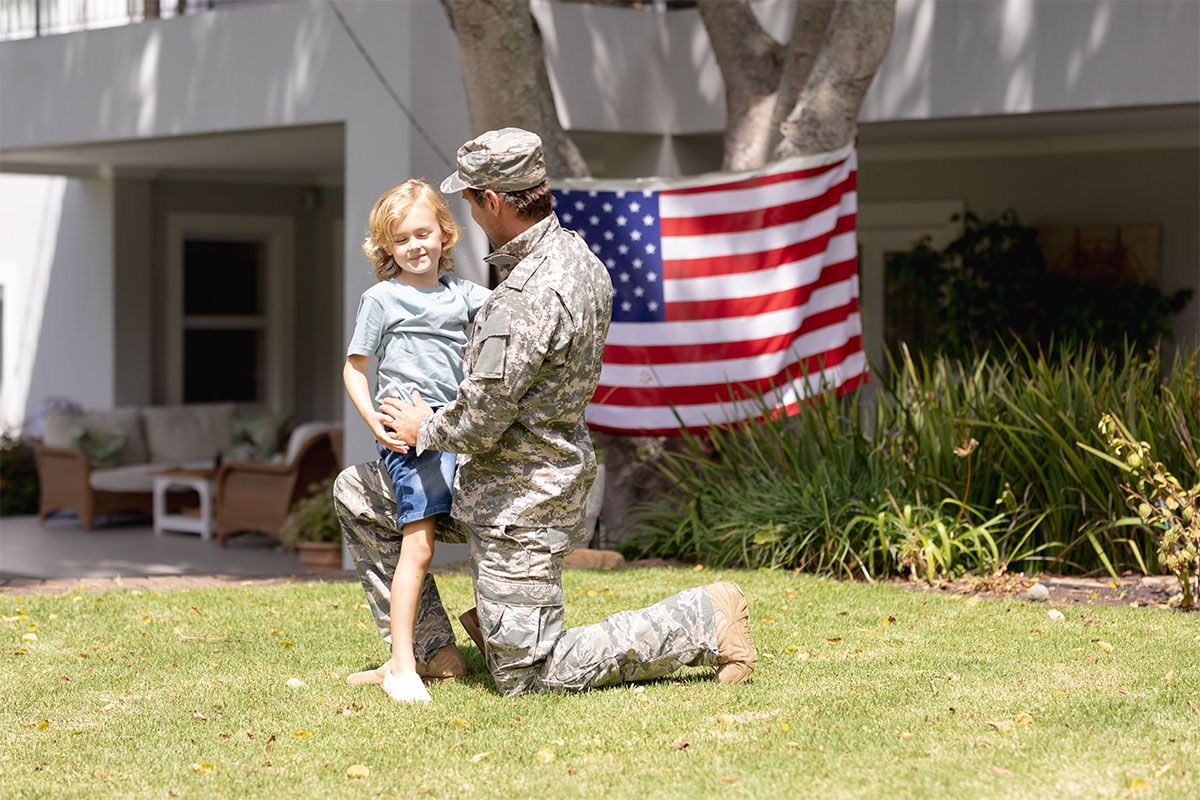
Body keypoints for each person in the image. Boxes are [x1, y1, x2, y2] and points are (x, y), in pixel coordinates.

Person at [338, 127, 756, 696]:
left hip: (522, 500)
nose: (468, 209)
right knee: (359, 492)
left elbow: (480, 421)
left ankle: (703, 617)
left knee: (528, 676)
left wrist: (421, 427)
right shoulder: (579, 258)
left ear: (493, 201)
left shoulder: (523, 297)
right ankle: (433, 651)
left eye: (469, 198)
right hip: (491, 484)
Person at [342, 179, 490, 703]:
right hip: (412, 442)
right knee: (419, 547)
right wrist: (374, 423)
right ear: (386, 249)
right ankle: (404, 664)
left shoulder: (469, 295)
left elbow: (512, 316)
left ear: (445, 234)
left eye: (423, 233)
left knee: (487, 534)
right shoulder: (382, 299)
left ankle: (492, 638)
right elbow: (356, 368)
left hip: (458, 433)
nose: (415, 247)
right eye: (401, 240)